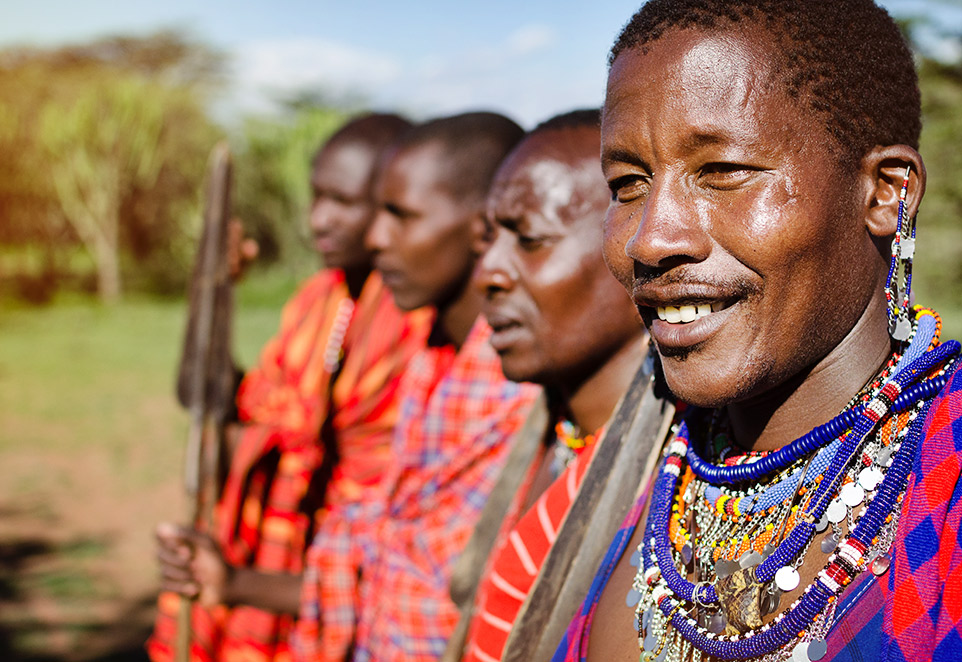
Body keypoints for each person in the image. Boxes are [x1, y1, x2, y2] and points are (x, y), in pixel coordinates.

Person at [548, 2, 962, 662]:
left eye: (723, 171)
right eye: (628, 183)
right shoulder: (641, 459)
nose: (651, 239)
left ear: (885, 193)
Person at [149, 113, 430, 662]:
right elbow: (224, 405)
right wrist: (211, 293)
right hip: (271, 548)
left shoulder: (418, 325)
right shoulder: (317, 300)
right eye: (316, 197)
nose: (318, 220)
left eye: (342, 202)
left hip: (355, 580)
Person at [293, 112, 539, 662]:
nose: (375, 239)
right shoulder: (427, 360)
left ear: (482, 227)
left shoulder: (522, 391)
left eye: (400, 215)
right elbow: (390, 548)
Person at [440, 108, 649, 662]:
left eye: (528, 238)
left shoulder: (668, 489)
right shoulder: (549, 431)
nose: (489, 272)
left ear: (631, 245)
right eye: (490, 240)